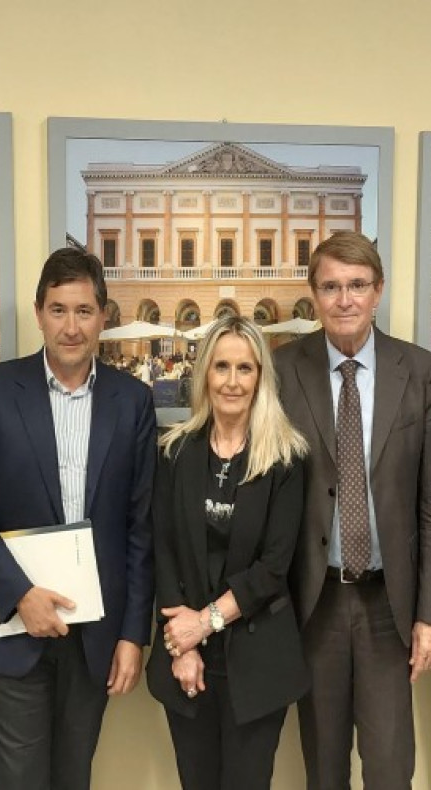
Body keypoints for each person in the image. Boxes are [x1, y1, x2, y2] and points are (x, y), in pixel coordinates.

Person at [0, 247, 156, 790]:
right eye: (58, 310)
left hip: (95, 635)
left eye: (84, 311)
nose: (71, 326)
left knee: (73, 777)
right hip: (15, 626)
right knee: (18, 779)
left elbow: (140, 528)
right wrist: (20, 594)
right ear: (39, 313)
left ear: (103, 316)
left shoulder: (132, 401)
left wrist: (133, 635)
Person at [273, 231, 431, 789]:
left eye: (356, 285)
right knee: (323, 766)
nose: (344, 299)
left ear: (378, 290)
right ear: (314, 295)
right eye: (330, 287)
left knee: (390, 767)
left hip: (388, 605)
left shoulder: (416, 369)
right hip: (314, 601)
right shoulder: (283, 370)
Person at [148, 316, 309, 790]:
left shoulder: (286, 458)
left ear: (261, 377)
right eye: (221, 367)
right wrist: (182, 644)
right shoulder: (174, 452)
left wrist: (205, 622)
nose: (232, 381)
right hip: (187, 660)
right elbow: (164, 549)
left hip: (257, 663)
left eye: (245, 368)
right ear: (204, 373)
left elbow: (273, 568)